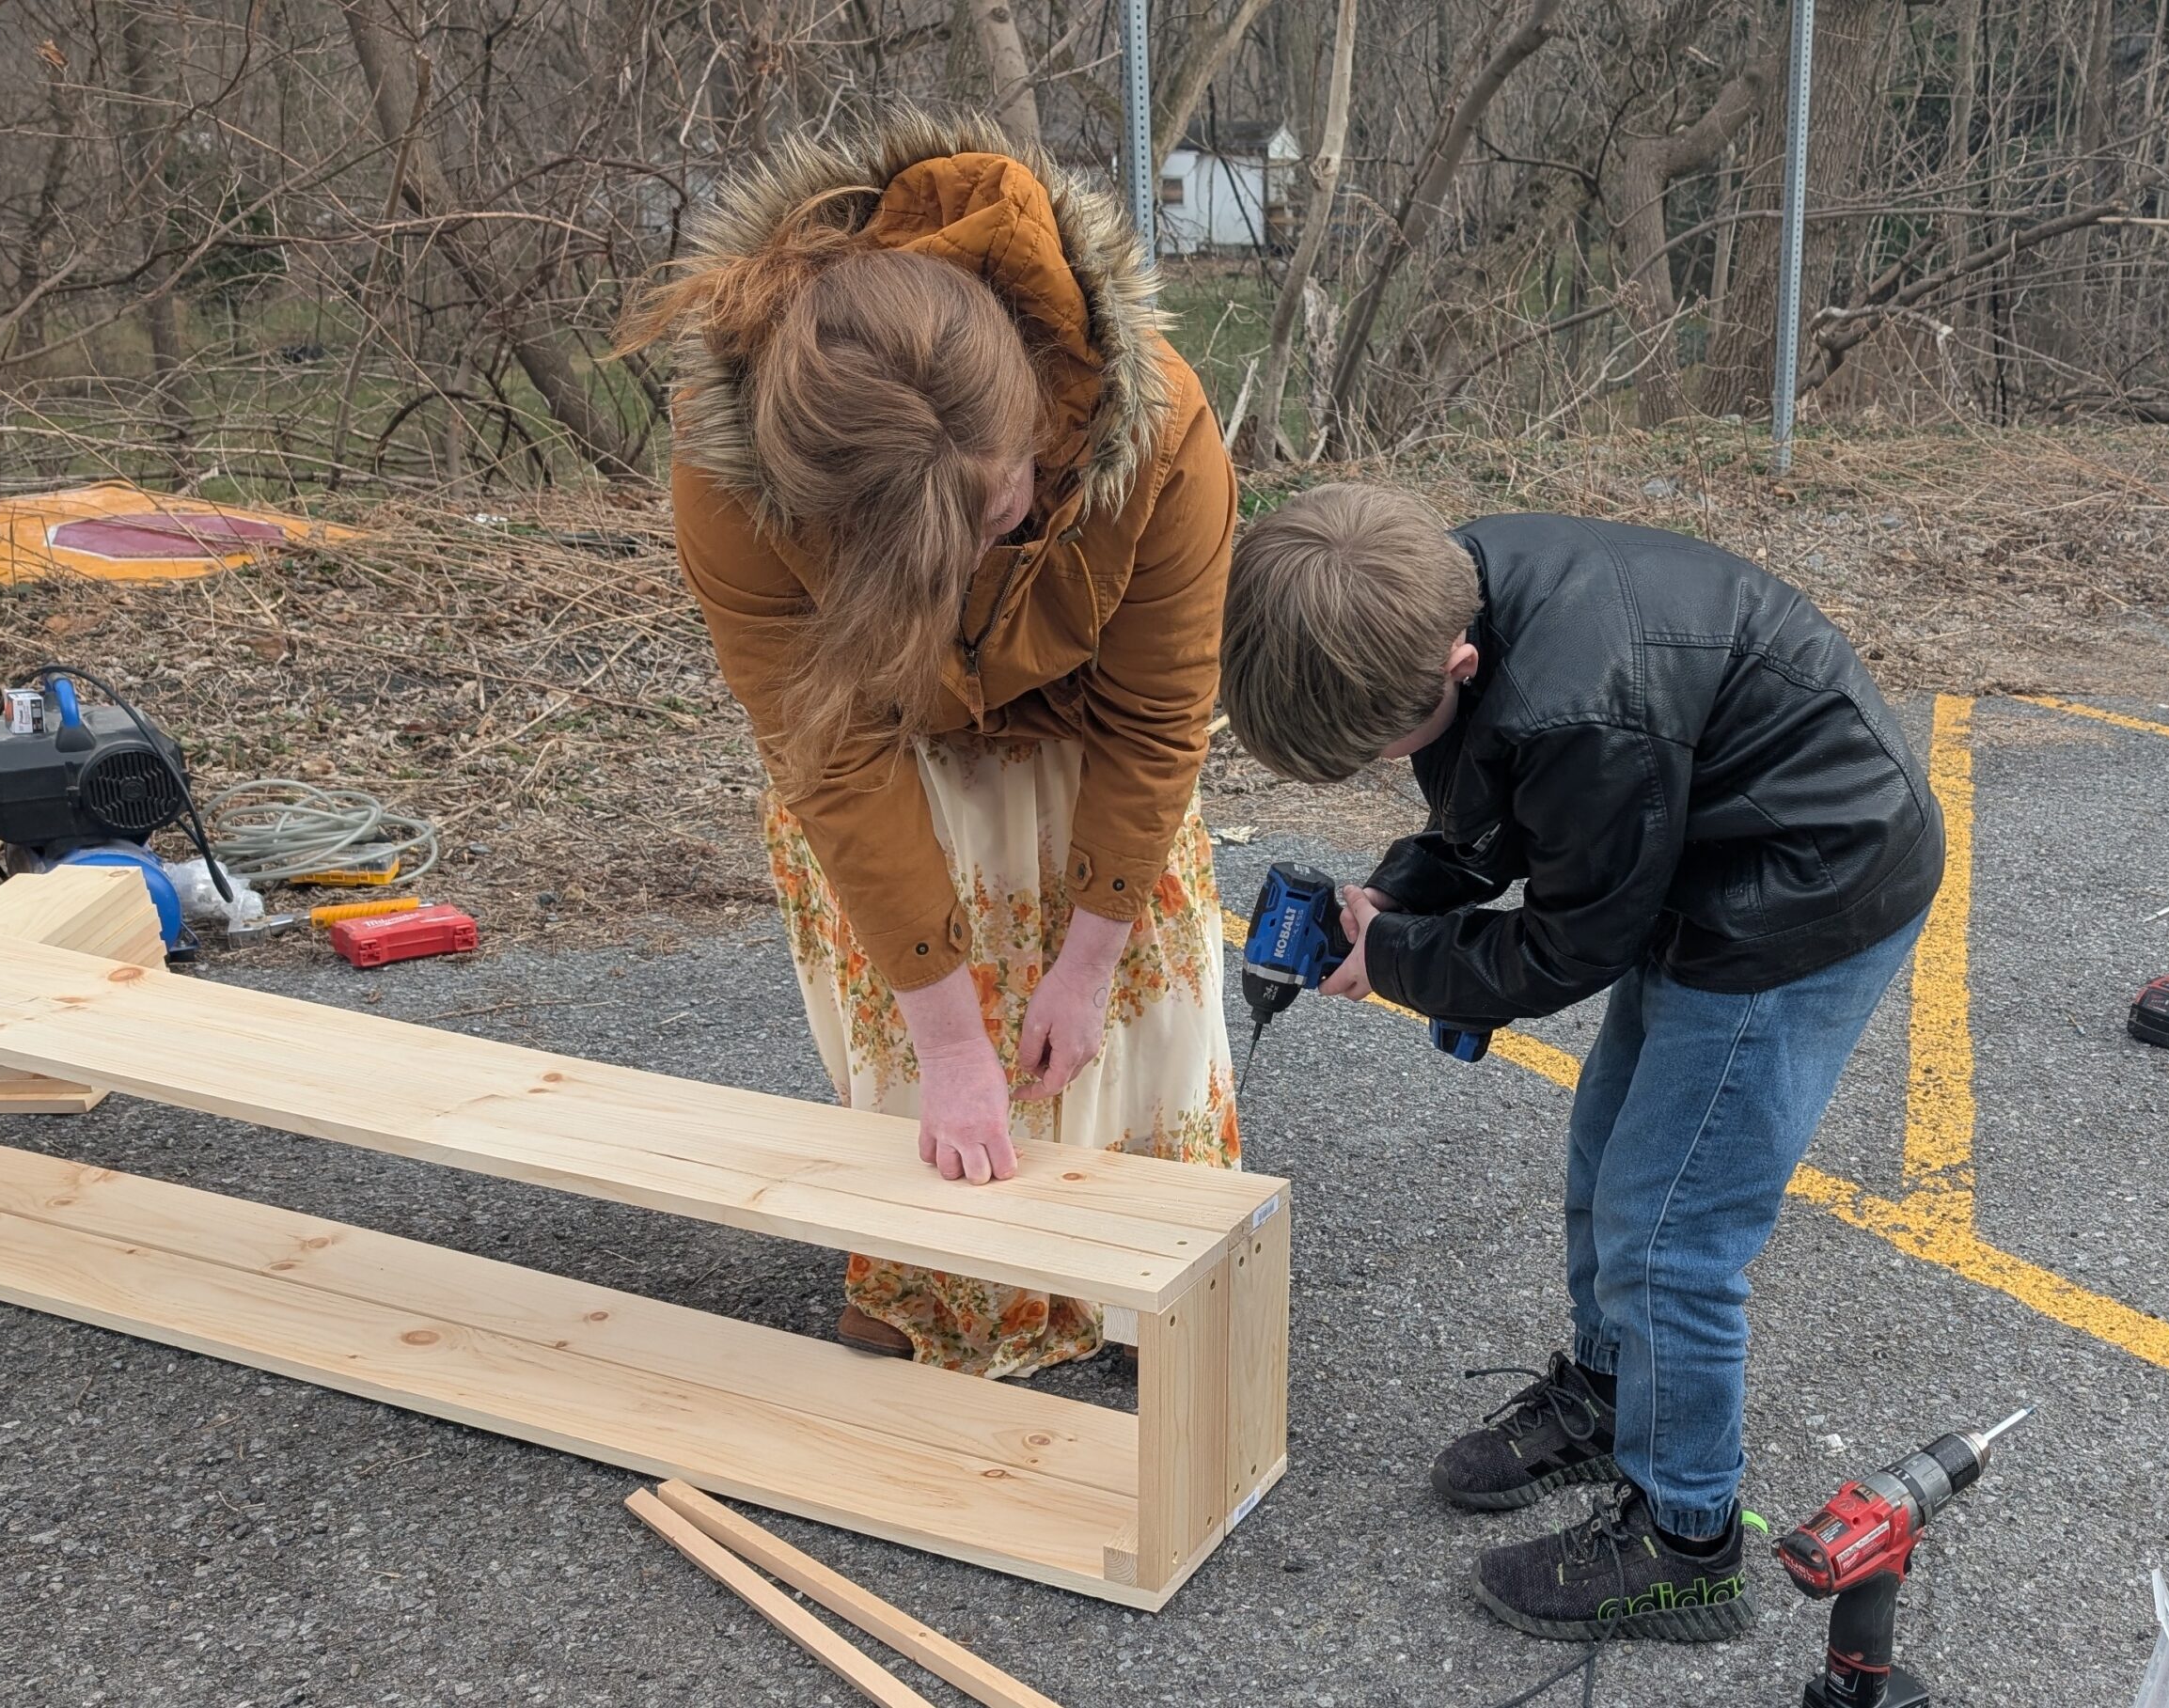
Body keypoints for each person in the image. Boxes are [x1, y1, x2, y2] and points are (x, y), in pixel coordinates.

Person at [1218, 485, 1944, 1642]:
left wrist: (1399, 961)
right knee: (1606, 1148)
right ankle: (1612, 1395)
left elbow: (1573, 941)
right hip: (1697, 845)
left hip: (1805, 886)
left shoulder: (1581, 706)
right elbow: (1503, 809)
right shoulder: (1443, 587)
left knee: (1669, 1227)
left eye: (1379, 746)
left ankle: (1686, 1540)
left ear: (1456, 662)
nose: (1381, 764)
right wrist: (1402, 893)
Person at [623, 112, 1240, 1378]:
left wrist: (1089, 958)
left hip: (1087, 724)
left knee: (1132, 1000)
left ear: (1036, 422)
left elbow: (1158, 711)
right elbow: (829, 753)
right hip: (884, 731)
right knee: (933, 1033)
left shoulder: (1158, 424)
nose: (960, 571)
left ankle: (1141, 1273)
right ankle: (952, 1286)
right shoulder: (730, 473)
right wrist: (951, 1041)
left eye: (991, 519)